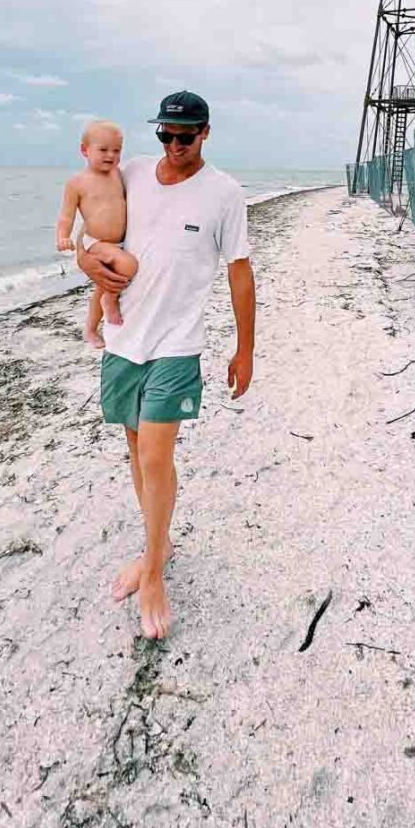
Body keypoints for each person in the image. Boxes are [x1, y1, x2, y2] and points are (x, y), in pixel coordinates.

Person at [76, 90, 256, 640]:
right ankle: (161, 540)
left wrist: (246, 349)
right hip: (125, 338)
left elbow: (240, 273)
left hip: (178, 344)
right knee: (135, 450)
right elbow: (91, 230)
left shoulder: (224, 193)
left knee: (156, 455)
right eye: (166, 135)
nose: (174, 146)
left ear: (205, 133)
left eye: (186, 136)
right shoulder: (129, 173)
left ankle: (153, 571)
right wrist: (87, 262)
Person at [56, 120, 139, 346]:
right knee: (127, 266)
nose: (110, 156)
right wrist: (63, 237)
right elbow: (66, 215)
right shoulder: (77, 182)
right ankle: (110, 300)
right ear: (85, 150)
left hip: (120, 242)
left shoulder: (119, 175)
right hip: (97, 242)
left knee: (102, 285)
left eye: (117, 150)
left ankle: (91, 330)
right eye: (103, 150)